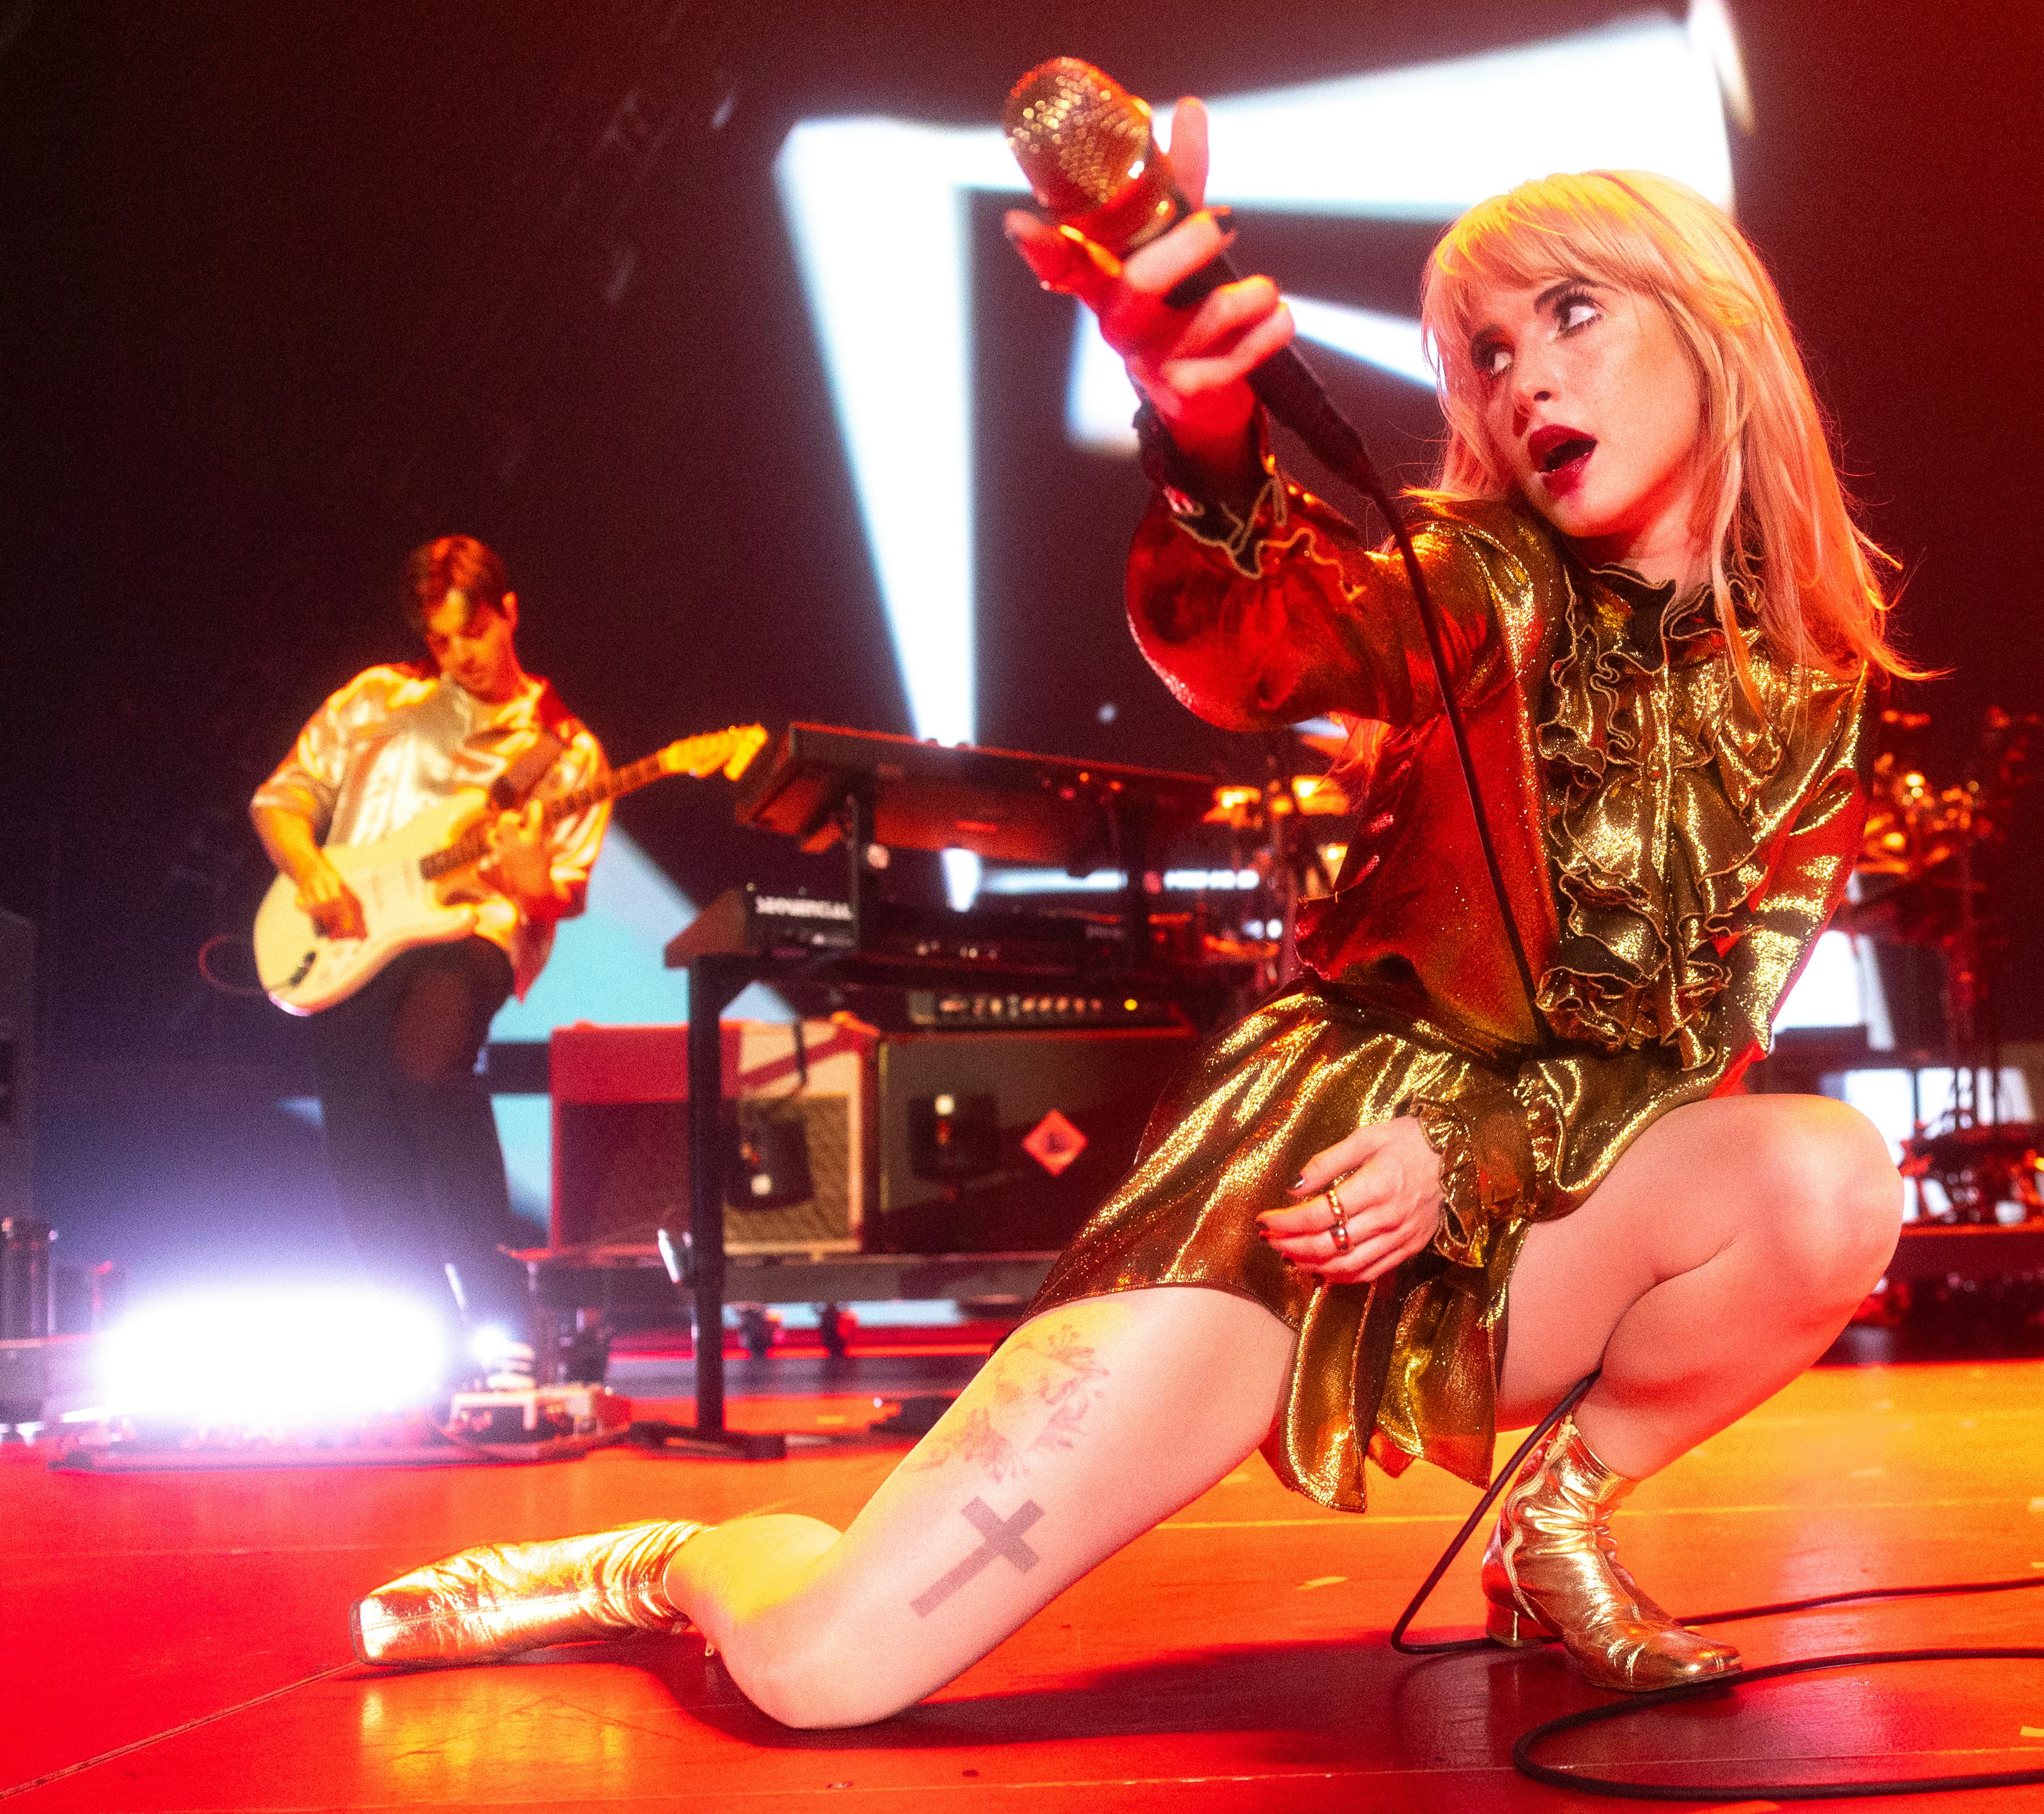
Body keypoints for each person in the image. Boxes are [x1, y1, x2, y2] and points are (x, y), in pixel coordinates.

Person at [349, 125, 1912, 1726]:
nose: (1522, 380)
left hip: (1516, 1211)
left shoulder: (1814, 693)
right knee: (823, 1673)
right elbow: (1259, 644)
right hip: (1288, 1200)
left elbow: (1693, 1044)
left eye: (1571, 315)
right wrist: (1202, 427)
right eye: (1486, 353)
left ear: (1708, 320)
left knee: (1824, 1180)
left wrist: (1473, 1153)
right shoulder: (1477, 580)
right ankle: (668, 1564)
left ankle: (1553, 1522)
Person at [253, 535, 608, 1347]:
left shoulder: (565, 749)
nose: (460, 656)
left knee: (427, 1068)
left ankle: (503, 1316)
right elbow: (282, 799)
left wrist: (529, 881)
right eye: (441, 640)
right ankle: (428, 1340)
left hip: (467, 937)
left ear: (508, 613)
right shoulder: (376, 699)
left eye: (473, 634)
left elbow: (565, 891)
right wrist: (310, 871)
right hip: (351, 938)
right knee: (361, 1136)